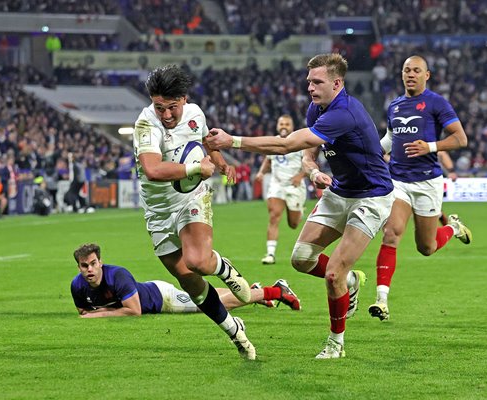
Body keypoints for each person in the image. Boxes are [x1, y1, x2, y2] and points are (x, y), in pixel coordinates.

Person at [207, 53, 395, 359]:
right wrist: (312, 171)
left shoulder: (344, 111)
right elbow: (308, 153)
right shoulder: (316, 108)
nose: (310, 87)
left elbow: (286, 145)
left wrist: (234, 141)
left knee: (332, 273)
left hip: (372, 196)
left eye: (317, 81)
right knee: (301, 259)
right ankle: (349, 281)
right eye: (308, 81)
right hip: (339, 191)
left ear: (337, 83)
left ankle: (336, 343)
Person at [132, 64, 279, 360]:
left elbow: (204, 142)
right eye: (159, 107)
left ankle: (224, 269)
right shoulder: (146, 124)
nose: (166, 115)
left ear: (184, 99)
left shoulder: (196, 114)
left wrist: (221, 162)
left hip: (191, 198)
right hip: (158, 212)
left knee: (198, 261)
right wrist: (197, 167)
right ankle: (235, 331)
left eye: (172, 107)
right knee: (191, 283)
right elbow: (152, 169)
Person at [368, 55, 472, 322]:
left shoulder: (436, 103)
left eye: (416, 70)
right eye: (406, 70)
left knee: (426, 247)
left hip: (427, 182)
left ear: (427, 75)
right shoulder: (395, 106)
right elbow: (391, 138)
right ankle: (382, 300)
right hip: (399, 181)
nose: (410, 74)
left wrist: (431, 147)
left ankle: (453, 228)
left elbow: (460, 138)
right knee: (391, 233)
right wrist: (372, 153)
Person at [70, 243, 301, 317]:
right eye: (84, 266)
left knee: (214, 305)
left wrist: (98, 315)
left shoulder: (117, 274)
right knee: (213, 294)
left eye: (93, 264)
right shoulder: (77, 285)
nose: (89, 269)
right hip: (156, 291)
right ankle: (254, 291)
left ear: (100, 262)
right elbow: (83, 311)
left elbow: (134, 311)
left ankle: (275, 291)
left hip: (163, 299)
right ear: (79, 267)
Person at [254, 115, 306, 265]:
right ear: (277, 126)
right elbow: (268, 159)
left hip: (294, 186)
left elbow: (310, 162)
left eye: (287, 124)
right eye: (281, 123)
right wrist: (261, 172)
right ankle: (270, 254)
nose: (284, 126)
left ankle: (300, 211)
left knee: (293, 224)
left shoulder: (299, 142)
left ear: (292, 126)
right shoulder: (274, 141)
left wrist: (300, 175)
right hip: (276, 185)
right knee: (274, 216)